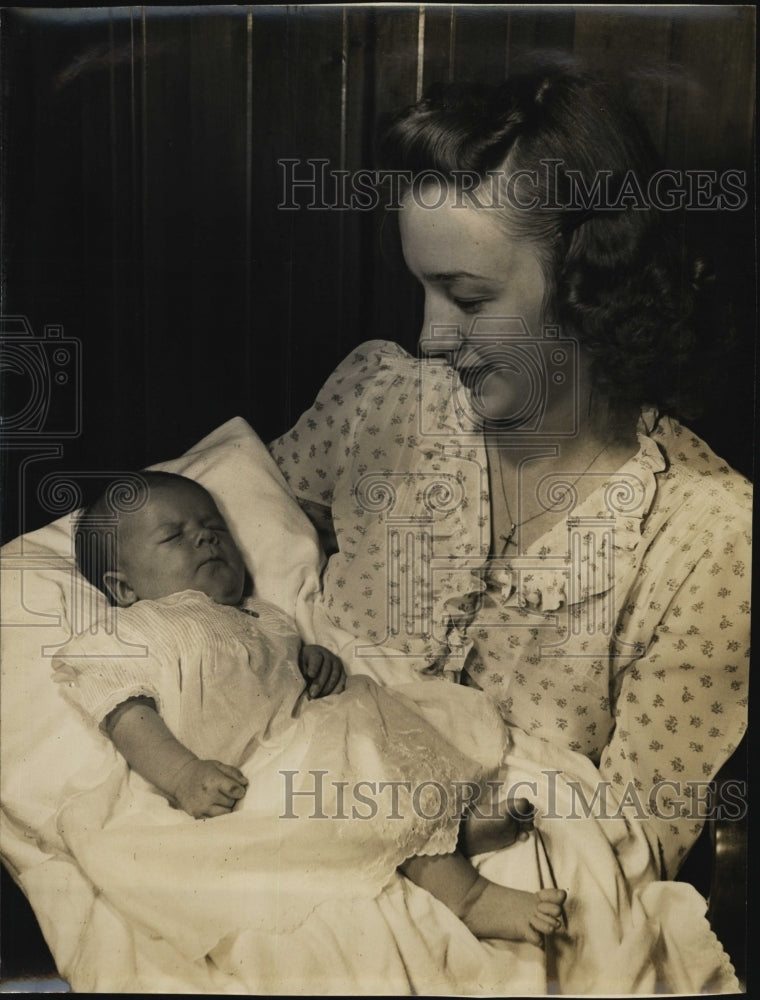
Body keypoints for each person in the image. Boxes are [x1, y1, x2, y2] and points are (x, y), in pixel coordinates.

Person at [269, 71, 750, 881]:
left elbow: (632, 846)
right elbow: (199, 556)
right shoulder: (380, 402)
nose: (429, 337)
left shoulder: (708, 541)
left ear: (586, 285)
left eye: (466, 296)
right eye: (420, 287)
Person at [53, 470, 566, 945]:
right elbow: (124, 712)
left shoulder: (263, 615)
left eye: (214, 527)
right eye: (173, 536)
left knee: (376, 717)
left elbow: (280, 668)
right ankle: (469, 897)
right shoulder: (131, 630)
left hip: (308, 734)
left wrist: (312, 660)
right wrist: (183, 774)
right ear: (123, 588)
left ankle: (450, 824)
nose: (205, 538)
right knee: (364, 766)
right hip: (253, 775)